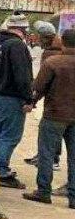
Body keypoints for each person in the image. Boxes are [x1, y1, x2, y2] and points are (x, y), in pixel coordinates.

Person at [23, 28, 75, 208]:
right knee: (74, 157)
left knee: (46, 153)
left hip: (54, 115)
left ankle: (43, 191)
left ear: (63, 42)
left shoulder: (53, 62)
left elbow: (39, 87)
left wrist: (31, 103)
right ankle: (73, 197)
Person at [0, 14, 35, 189]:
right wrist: (28, 99)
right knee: (10, 136)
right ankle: (1, 170)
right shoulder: (17, 46)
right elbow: (22, 76)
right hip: (11, 98)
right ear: (23, 30)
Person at [25, 21, 63, 169]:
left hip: (54, 102)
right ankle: (46, 157)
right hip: (59, 100)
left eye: (39, 37)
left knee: (51, 132)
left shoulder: (51, 53)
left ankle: (51, 159)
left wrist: (32, 101)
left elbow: (43, 82)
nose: (37, 40)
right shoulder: (57, 49)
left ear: (46, 37)